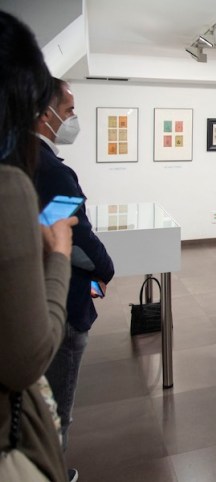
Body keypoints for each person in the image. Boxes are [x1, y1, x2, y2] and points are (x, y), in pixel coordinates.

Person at [0, 10, 77, 482]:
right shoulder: (15, 182)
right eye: (66, 111)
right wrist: (62, 256)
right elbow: (26, 357)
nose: (70, 120)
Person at [35, 78, 115, 463]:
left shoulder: (22, 158)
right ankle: (53, 467)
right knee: (56, 407)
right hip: (62, 299)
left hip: (39, 294)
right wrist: (105, 268)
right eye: (68, 111)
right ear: (44, 114)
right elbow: (70, 235)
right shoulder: (51, 171)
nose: (72, 119)